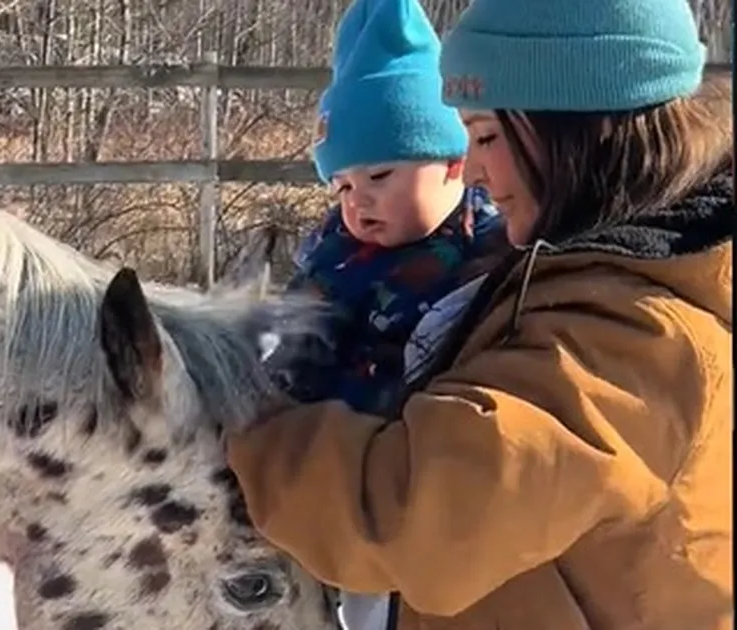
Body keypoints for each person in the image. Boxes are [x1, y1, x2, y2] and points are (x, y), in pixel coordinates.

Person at [227, 0, 733, 628]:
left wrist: (236, 424)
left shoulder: (637, 337)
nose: (480, 175)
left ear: (579, 124)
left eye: (488, 136)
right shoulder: (572, 275)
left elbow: (419, 519)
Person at [265, 0, 507, 419]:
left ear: (454, 163)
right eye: (342, 187)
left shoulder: (490, 255)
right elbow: (289, 347)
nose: (358, 200)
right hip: (313, 447)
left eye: (379, 176)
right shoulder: (331, 255)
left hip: (413, 448)